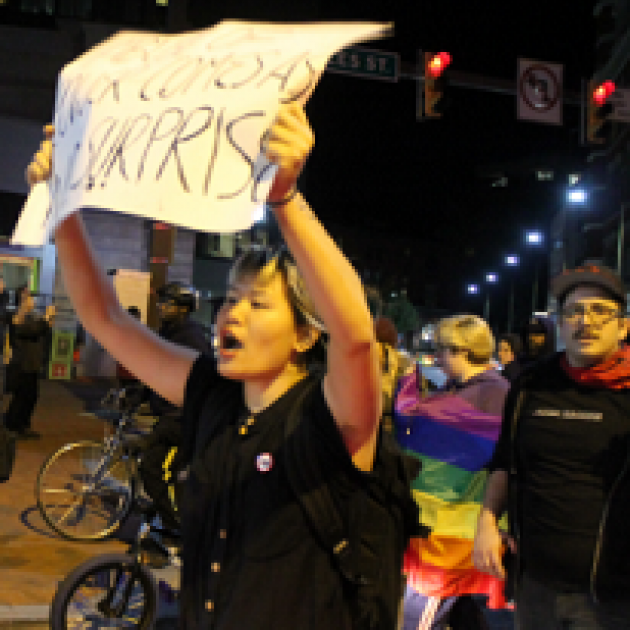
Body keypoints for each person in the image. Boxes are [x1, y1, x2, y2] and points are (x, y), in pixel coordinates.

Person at [27, 104, 421, 629]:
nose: (231, 313)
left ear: (305, 333)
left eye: (257, 303)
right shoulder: (211, 393)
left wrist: (283, 196)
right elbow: (106, 320)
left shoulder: (331, 415)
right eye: (230, 298)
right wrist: (63, 206)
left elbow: (354, 338)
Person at [473, 264, 630, 630]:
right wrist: (486, 522)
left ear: (623, 326)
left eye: (599, 311)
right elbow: (505, 460)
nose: (585, 321)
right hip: (535, 585)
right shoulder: (531, 384)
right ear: (560, 324)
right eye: (573, 311)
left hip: (613, 596)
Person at [395, 314, 510, 630]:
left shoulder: (494, 395)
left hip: (457, 528)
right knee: (457, 613)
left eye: (444, 350)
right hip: (443, 524)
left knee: (419, 616)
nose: (438, 358)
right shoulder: (459, 389)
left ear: (466, 350)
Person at [139, 283, 210, 530]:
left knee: (154, 466)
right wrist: (139, 396)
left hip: (183, 417)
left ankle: (174, 524)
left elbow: (203, 377)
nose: (160, 306)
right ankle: (170, 516)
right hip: (173, 413)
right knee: (159, 468)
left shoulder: (191, 336)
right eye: (161, 302)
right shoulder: (169, 332)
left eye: (167, 303)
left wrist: (183, 407)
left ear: (182, 309)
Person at [5, 286, 54, 438]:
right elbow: (31, 330)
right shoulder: (17, 317)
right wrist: (46, 319)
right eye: (28, 298)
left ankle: (22, 424)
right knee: (22, 397)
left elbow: (41, 330)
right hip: (22, 366)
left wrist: (48, 320)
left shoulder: (31, 317)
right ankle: (13, 426)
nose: (32, 301)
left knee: (30, 397)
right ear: (22, 300)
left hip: (31, 365)